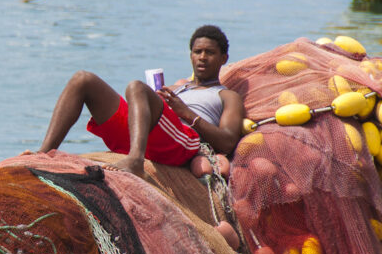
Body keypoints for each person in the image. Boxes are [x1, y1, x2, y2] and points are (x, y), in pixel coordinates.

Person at [36, 25, 244, 177]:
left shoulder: (226, 95)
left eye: (210, 52)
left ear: (223, 58)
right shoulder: (177, 88)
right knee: (83, 79)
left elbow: (227, 141)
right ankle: (43, 153)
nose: (202, 57)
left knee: (136, 86)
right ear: (190, 55)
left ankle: (135, 160)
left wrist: (186, 113)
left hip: (182, 142)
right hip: (146, 133)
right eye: (197, 52)